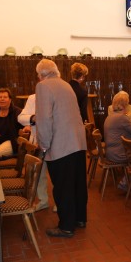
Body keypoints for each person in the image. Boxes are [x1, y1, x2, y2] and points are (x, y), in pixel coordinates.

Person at [35, 59, 88, 237]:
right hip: (78, 142)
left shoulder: (43, 87)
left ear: (41, 74)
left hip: (61, 145)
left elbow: (43, 120)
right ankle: (80, 218)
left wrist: (43, 145)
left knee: (63, 186)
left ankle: (66, 226)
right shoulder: (66, 85)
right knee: (78, 184)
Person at [17, 94, 50, 211]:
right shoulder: (33, 98)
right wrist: (33, 118)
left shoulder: (59, 96)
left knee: (57, 175)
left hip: (56, 142)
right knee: (39, 174)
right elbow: (20, 118)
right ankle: (43, 200)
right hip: (38, 142)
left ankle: (60, 202)